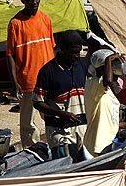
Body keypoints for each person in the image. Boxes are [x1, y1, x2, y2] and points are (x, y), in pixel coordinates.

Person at [7, 0, 55, 148]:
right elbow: (11, 56)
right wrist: (15, 83)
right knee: (29, 122)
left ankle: (54, 147)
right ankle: (31, 151)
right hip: (28, 80)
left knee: (51, 116)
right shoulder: (16, 23)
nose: (34, 2)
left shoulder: (45, 19)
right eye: (29, 0)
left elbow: (51, 49)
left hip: (48, 79)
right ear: (23, 1)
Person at [32, 31, 87, 160]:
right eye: (73, 52)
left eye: (78, 52)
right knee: (62, 168)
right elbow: (37, 102)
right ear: (61, 50)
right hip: (58, 130)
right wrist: (62, 114)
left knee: (81, 167)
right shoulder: (47, 71)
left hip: (80, 129)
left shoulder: (81, 66)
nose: (76, 56)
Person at [84, 49, 126, 156]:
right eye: (111, 65)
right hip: (97, 146)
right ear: (101, 68)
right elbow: (107, 80)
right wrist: (109, 59)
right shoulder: (93, 84)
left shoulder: (107, 91)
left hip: (107, 144)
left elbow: (107, 120)